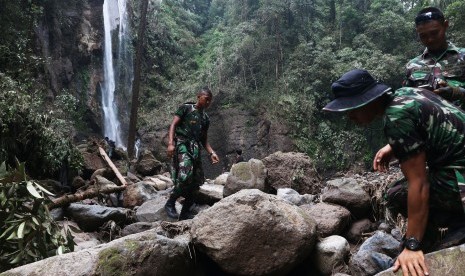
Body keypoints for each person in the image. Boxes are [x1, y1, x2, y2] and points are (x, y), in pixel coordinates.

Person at [323, 69, 465, 276]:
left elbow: (419, 184)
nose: (350, 116)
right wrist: (394, 147)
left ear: (368, 101)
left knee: (397, 194)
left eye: (352, 108)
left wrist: (412, 246)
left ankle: (450, 229)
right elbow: (436, 121)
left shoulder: (395, 118)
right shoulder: (406, 94)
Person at [164, 87, 220, 220]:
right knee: (184, 176)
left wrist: (211, 152)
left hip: (195, 149)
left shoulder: (205, 118)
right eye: (206, 99)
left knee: (197, 182)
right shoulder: (186, 108)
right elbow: (173, 125)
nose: (208, 103)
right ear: (199, 96)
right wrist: (171, 143)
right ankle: (170, 203)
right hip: (182, 145)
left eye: (210, 101)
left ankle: (185, 212)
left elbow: (204, 140)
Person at [404, 7, 465, 108]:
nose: (430, 39)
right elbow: (406, 100)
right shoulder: (412, 66)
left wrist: (458, 92)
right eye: (423, 36)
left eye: (434, 33)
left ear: (445, 25)